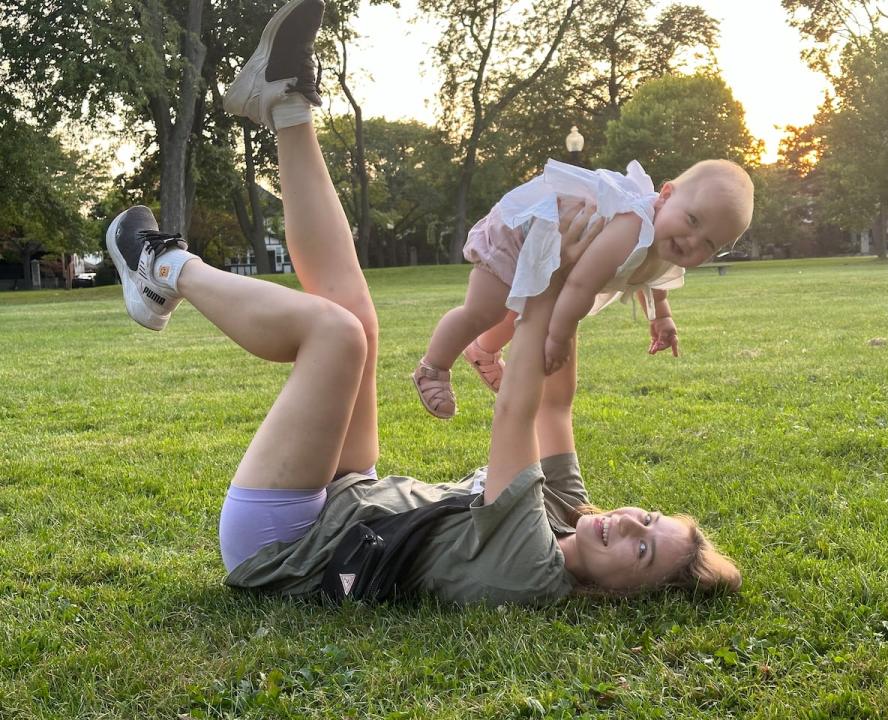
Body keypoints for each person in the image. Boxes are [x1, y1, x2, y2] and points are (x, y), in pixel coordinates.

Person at [105, 0, 741, 604]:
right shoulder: (573, 510)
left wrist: (549, 275)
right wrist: (568, 297)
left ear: (616, 596)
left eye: (640, 552)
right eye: (648, 520)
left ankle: (161, 266)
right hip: (350, 497)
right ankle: (286, 103)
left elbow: (516, 413)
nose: (626, 526)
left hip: (284, 545)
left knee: (336, 335)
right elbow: (555, 404)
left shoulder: (533, 568)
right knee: (357, 317)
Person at [412, 155, 754, 419]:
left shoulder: (668, 239)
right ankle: (433, 368)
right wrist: (558, 339)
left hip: (551, 248)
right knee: (484, 310)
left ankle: (483, 351)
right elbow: (578, 285)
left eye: (708, 243)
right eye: (691, 220)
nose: (690, 240)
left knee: (515, 306)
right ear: (665, 196)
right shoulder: (631, 227)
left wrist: (661, 315)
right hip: (522, 231)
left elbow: (651, 275)